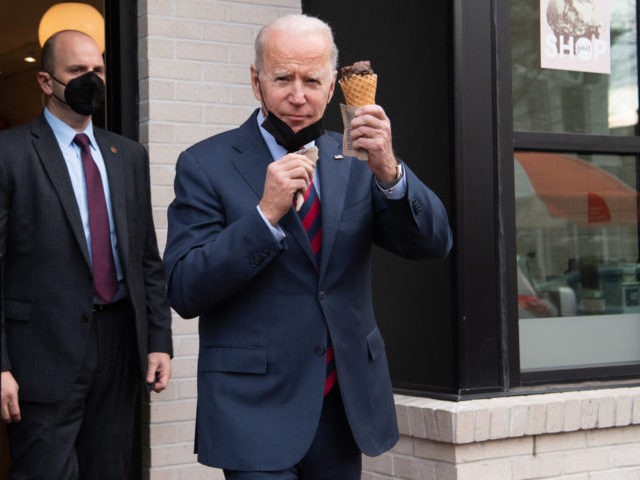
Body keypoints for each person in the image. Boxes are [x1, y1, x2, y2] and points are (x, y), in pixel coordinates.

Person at [163, 13, 452, 480]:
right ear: (256, 81)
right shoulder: (204, 163)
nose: (298, 95)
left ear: (333, 82)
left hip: (344, 403)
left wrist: (390, 171)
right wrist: (264, 215)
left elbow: (434, 243)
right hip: (253, 408)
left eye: (312, 80)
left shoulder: (359, 158)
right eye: (282, 78)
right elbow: (183, 288)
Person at [0, 30, 173, 479]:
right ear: (44, 81)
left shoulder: (128, 155)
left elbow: (146, 259)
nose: (90, 80)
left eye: (97, 70)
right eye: (77, 72)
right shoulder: (10, 153)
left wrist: (158, 341)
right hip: (41, 353)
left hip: (118, 345)